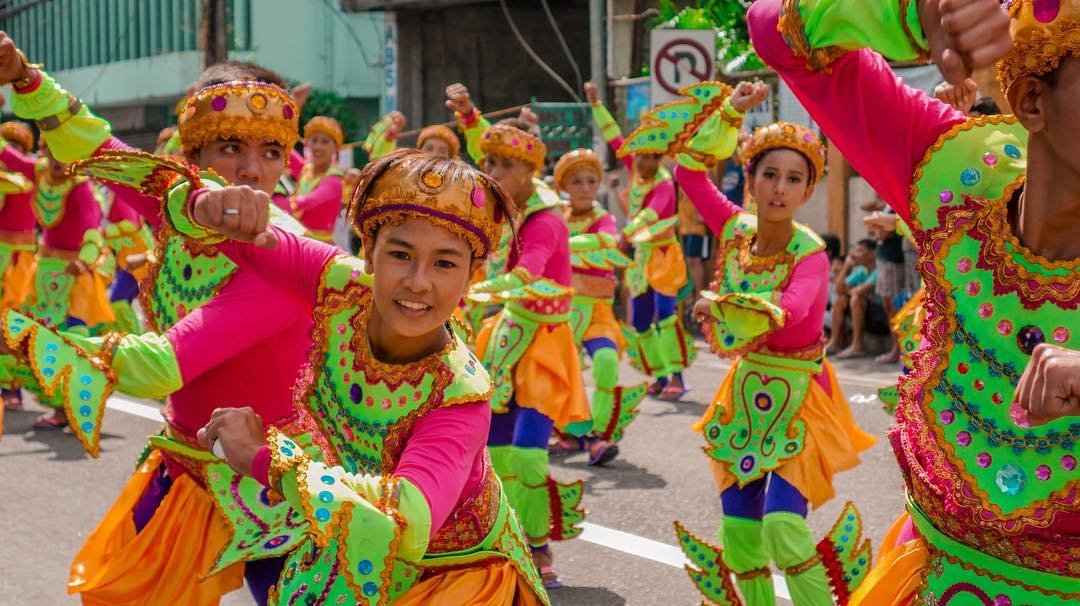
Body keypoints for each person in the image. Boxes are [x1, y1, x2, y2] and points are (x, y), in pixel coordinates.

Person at [748, 0, 1080, 602]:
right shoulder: (956, 176)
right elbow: (775, 32)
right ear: (1033, 102)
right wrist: (908, 15)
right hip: (925, 576)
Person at [147, 149, 550, 605]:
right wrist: (205, 205)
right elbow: (233, 231)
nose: (418, 282)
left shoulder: (459, 392)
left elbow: (407, 520)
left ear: (473, 276)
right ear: (369, 254)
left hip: (454, 575)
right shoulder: (338, 284)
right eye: (401, 254)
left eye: (445, 263)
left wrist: (266, 460)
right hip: (358, 536)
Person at [0, 38, 318, 603]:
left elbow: (161, 366)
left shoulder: (283, 252)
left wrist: (16, 341)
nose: (252, 169)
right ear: (190, 157)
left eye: (271, 151)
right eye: (229, 147)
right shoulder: (181, 204)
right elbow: (98, 149)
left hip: (274, 475)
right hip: (189, 462)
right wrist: (25, 77)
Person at [642, 79, 875, 605]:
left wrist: (725, 307)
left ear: (808, 191)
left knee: (782, 530)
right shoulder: (736, 229)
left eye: (794, 179)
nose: (779, 187)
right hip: (748, 393)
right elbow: (688, 173)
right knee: (742, 540)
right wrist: (728, 113)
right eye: (769, 174)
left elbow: (793, 313)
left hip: (801, 396)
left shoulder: (810, 251)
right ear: (750, 179)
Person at [448, 82, 590, 588]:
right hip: (506, 334)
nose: (495, 174)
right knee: (498, 452)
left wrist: (473, 295)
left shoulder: (545, 219)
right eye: (491, 166)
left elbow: (528, 271)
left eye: (507, 167)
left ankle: (538, 543)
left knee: (528, 454)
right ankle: (505, 540)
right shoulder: (507, 206)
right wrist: (468, 114)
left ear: (530, 172)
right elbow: (494, 140)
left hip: (544, 341)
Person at [586, 82, 695, 401]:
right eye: (640, 156)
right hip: (641, 258)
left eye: (651, 157)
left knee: (666, 314)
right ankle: (659, 375)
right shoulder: (635, 170)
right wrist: (596, 105)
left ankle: (676, 375)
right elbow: (614, 136)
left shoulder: (663, 183)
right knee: (642, 319)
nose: (644, 162)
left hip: (663, 255)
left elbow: (650, 215)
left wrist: (624, 234)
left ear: (660, 156)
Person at [548, 148, 646, 465]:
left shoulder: (603, 218)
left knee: (605, 360)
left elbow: (607, 240)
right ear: (564, 186)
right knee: (561, 372)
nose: (586, 187)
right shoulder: (556, 216)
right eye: (577, 181)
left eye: (592, 181)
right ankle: (575, 435)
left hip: (598, 311)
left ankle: (600, 434)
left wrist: (563, 246)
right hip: (562, 311)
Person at [0, 120, 36, 412]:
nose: (8, 154)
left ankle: (14, 388)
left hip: (23, 260)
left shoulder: (34, 174)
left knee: (14, 320)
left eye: (15, 147)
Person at [284, 115, 345, 242]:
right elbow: (285, 146)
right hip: (298, 241)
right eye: (314, 140)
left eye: (325, 141)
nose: (318, 146)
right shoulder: (305, 169)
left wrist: (277, 204)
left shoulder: (334, 180)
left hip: (320, 248)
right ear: (307, 143)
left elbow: (307, 202)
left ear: (335, 148)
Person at [826, 238, 881, 358]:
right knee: (840, 299)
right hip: (863, 313)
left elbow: (860, 290)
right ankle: (834, 343)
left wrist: (849, 291)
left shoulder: (878, 270)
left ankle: (857, 346)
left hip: (880, 316)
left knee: (856, 298)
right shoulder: (860, 270)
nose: (855, 254)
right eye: (855, 251)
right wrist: (846, 267)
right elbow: (838, 290)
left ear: (872, 254)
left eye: (860, 251)